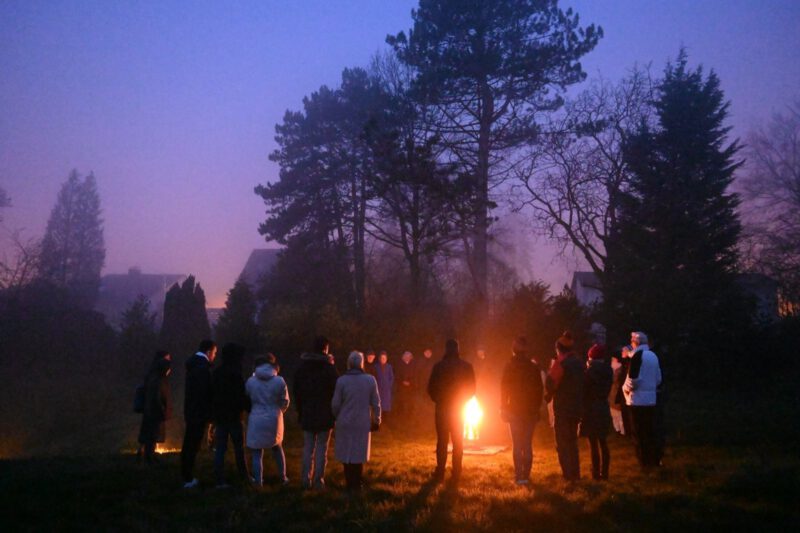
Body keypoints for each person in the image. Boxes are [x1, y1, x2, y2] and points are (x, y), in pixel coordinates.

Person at [331, 351, 381, 495]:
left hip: (345, 421)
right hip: (362, 422)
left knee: (346, 453)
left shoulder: (342, 381)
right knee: (358, 453)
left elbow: (335, 404)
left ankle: (349, 483)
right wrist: (377, 420)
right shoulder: (370, 380)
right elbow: (376, 403)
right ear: (361, 363)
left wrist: (337, 417)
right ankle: (357, 484)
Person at [428, 338, 476, 483]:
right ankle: (456, 471)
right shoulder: (466, 366)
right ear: (458, 349)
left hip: (442, 408)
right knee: (458, 440)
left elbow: (431, 388)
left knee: (442, 440)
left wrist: (438, 400)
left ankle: (440, 471)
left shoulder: (439, 366)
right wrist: (462, 400)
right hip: (458, 408)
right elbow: (472, 389)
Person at [294, 335, 339, 489]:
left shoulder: (303, 368)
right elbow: (336, 392)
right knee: (322, 449)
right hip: (325, 414)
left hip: (307, 412)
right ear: (326, 349)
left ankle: (305, 480)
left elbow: (297, 391)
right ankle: (318, 481)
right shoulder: (330, 369)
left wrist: (300, 410)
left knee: (308, 447)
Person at [500, 337, 543, 486]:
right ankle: (527, 474)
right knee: (527, 443)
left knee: (517, 444)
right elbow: (539, 390)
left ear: (513, 350)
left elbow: (504, 389)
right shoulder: (533, 367)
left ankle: (519, 476)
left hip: (514, 409)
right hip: (530, 410)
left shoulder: (509, 367)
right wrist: (537, 408)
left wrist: (503, 407)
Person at [246, 354, 290, 486]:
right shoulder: (279, 381)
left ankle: (258, 481)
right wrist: (279, 411)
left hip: (256, 418)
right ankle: (283, 477)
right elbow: (285, 401)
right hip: (274, 418)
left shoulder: (250, 381)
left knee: (256, 452)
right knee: (277, 447)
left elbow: (247, 398)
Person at [545, 331, 583, 481]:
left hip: (563, 409)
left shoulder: (561, 364)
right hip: (576, 407)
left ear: (559, 349)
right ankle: (576, 473)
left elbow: (550, 383)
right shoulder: (579, 363)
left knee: (562, 443)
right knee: (573, 442)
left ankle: (567, 475)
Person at [211, 343, 248, 488]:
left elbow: (213, 393)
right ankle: (243, 475)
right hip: (234, 416)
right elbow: (240, 394)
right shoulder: (236, 372)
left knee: (220, 448)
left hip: (220, 416)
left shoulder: (217, 372)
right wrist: (247, 407)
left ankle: (219, 479)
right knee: (239, 447)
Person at [623, 331, 662, 468]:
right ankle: (653, 460)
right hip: (651, 400)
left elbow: (633, 379)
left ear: (636, 343)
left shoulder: (637, 356)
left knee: (638, 433)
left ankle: (643, 462)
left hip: (637, 401)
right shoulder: (653, 355)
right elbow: (658, 379)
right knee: (649, 431)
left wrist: (625, 388)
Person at [181, 339, 216, 488]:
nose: (214, 356)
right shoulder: (202, 368)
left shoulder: (194, 365)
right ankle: (187, 478)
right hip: (198, 412)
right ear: (208, 352)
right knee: (192, 444)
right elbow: (204, 393)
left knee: (190, 443)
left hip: (191, 410)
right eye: (214, 353)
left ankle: (186, 475)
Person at [581, 344, 613, 480]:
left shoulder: (589, 372)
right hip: (603, 406)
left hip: (591, 408)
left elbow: (584, 390)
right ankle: (605, 473)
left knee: (593, 443)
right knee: (603, 442)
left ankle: (595, 472)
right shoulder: (608, 370)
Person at [138, 351, 172, 464]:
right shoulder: (156, 378)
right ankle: (148, 456)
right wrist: (162, 409)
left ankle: (149, 454)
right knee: (151, 433)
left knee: (152, 433)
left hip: (153, 410)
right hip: (154, 411)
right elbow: (156, 395)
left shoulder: (157, 377)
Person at [395, 351, 416, 421]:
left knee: (410, 401)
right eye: (406, 356)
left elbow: (415, 375)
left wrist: (410, 382)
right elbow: (397, 375)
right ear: (403, 357)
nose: (407, 358)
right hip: (401, 387)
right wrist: (402, 382)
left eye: (409, 356)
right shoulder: (399, 365)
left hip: (410, 387)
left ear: (411, 358)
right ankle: (400, 415)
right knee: (401, 401)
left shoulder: (413, 365)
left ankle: (409, 416)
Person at [374, 351, 394, 421]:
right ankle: (379, 419)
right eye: (382, 358)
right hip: (379, 388)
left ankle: (386, 420)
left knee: (386, 405)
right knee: (379, 404)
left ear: (386, 359)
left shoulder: (389, 366)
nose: (383, 359)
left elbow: (391, 377)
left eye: (384, 358)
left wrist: (389, 385)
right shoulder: (376, 366)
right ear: (379, 359)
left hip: (386, 389)